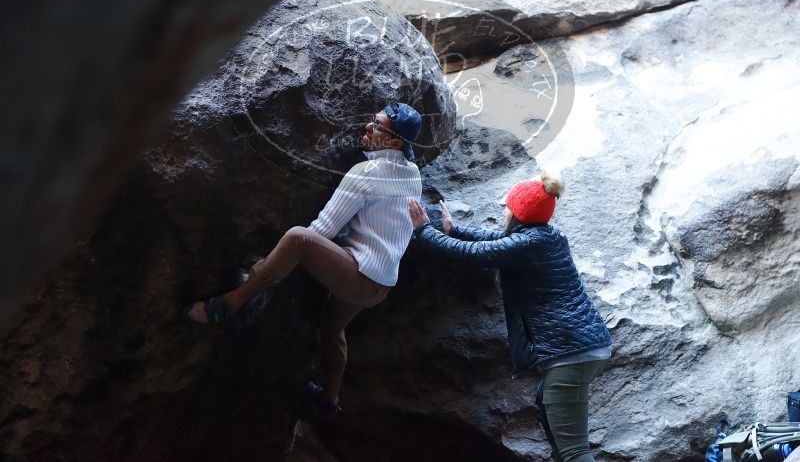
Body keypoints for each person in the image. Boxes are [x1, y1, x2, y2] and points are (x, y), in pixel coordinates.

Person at [185, 102, 424, 420]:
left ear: (394, 142)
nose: (367, 128)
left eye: (377, 127)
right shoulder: (413, 173)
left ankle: (231, 303)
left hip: (359, 274)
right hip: (381, 285)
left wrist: (278, 261)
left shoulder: (367, 173)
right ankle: (329, 401)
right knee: (333, 328)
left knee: (297, 238)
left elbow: (322, 231)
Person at [408, 172, 612, 462]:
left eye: (508, 207)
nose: (504, 211)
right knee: (546, 406)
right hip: (584, 348)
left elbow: (475, 253)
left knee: (575, 451)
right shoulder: (545, 237)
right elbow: (492, 241)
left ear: (518, 214)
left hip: (572, 355)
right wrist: (454, 229)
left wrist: (424, 230)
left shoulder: (526, 245)